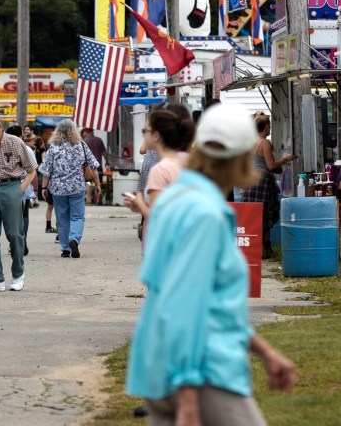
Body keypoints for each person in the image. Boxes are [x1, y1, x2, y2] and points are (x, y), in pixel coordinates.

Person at [126, 103, 295, 425]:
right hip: (202, 370)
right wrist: (189, 397)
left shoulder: (180, 197)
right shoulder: (204, 212)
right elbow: (184, 302)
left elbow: (209, 300)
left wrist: (264, 351)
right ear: (240, 156)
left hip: (164, 362)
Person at [0, 112, 37, 292]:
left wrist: (20, 190)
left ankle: (18, 275)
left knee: (15, 234)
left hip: (12, 186)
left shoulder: (16, 142)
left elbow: (32, 170)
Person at [124, 106, 195, 243]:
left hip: (164, 243)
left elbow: (159, 217)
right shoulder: (190, 162)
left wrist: (140, 205)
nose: (144, 135)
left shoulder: (160, 170)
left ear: (156, 135)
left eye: (145, 131)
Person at [39, 119, 100, 258]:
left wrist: (43, 187)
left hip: (58, 189)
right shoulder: (81, 146)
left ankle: (65, 248)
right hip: (77, 188)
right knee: (77, 216)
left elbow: (46, 171)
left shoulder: (53, 148)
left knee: (62, 218)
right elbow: (94, 167)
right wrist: (97, 185)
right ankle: (74, 239)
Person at [241, 113, 296, 258]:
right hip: (262, 181)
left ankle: (258, 248)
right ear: (265, 127)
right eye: (269, 125)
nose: (270, 127)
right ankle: (263, 250)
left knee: (253, 214)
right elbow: (270, 166)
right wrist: (286, 159)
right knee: (266, 213)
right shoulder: (264, 143)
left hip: (248, 180)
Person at [6, 125, 36, 256]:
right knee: (24, 215)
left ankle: (14, 242)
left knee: (11, 217)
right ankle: (22, 240)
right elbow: (33, 169)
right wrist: (35, 190)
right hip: (25, 184)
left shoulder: (5, 148)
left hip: (9, 186)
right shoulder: (27, 149)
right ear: (21, 135)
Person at [82, 128, 107, 204]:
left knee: (89, 183)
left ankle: (89, 200)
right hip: (98, 167)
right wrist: (107, 163)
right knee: (98, 183)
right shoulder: (99, 140)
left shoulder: (84, 141)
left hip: (88, 168)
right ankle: (98, 200)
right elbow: (104, 153)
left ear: (86, 132)